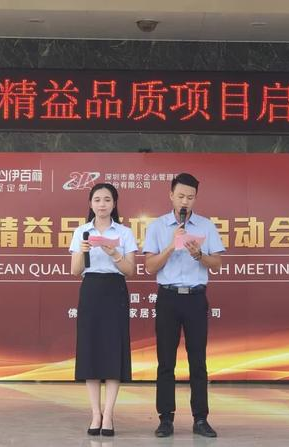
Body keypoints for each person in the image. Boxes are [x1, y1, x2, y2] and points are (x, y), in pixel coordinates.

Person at [143, 173, 224, 438]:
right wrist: (171, 246)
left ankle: (200, 418)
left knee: (197, 360)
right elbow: (149, 266)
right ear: (171, 196)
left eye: (190, 197)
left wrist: (199, 255)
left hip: (195, 298)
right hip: (168, 298)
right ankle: (165, 418)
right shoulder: (157, 226)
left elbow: (217, 264)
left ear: (195, 198)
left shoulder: (206, 226)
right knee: (166, 361)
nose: (185, 201)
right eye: (180, 196)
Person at [70, 183, 137, 437]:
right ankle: (95, 413)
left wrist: (115, 253)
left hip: (115, 291)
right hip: (91, 290)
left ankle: (108, 414)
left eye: (107, 199)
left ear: (114, 204)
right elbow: (75, 271)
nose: (102, 204)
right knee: (91, 351)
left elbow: (130, 271)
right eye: (97, 199)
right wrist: (82, 251)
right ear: (90, 203)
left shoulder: (124, 232)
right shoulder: (81, 232)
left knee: (112, 351)